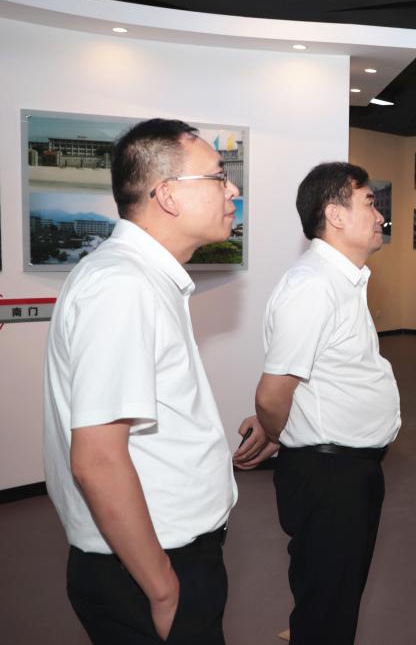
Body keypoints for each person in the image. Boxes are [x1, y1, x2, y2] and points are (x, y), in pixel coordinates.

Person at [43, 118, 275, 645]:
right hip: (149, 566)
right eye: (218, 177)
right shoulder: (122, 286)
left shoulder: (140, 278)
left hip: (161, 553)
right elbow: (97, 461)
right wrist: (164, 589)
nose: (233, 191)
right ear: (167, 195)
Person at [255, 162, 399, 645]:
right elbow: (272, 393)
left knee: (335, 603)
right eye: (370, 203)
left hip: (349, 470)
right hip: (329, 475)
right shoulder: (313, 285)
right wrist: (279, 433)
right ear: (335, 215)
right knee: (327, 610)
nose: (380, 215)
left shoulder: (342, 280)